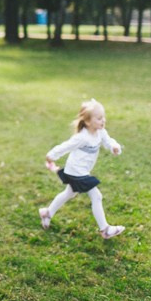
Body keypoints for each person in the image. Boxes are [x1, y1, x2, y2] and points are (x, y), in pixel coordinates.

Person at [39, 99, 125, 239]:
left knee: (69, 193)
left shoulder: (100, 132)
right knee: (96, 196)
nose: (103, 121)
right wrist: (51, 155)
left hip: (81, 171)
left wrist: (114, 147)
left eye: (103, 117)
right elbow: (65, 146)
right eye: (99, 118)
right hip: (76, 172)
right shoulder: (82, 137)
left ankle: (47, 213)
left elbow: (108, 140)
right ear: (87, 122)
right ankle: (105, 229)